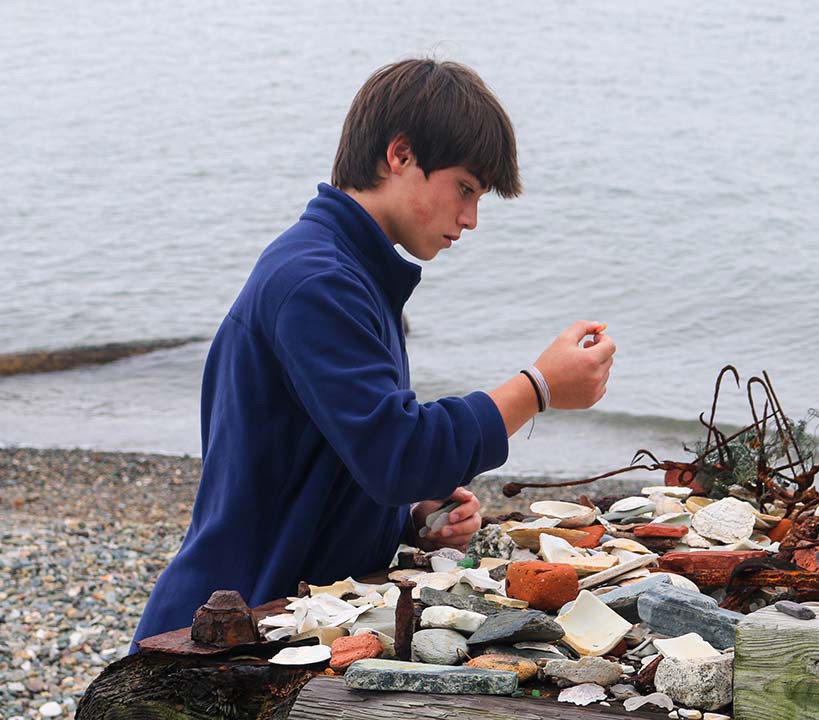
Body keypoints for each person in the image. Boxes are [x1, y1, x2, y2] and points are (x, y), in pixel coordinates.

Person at [132, 59, 615, 646]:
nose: (471, 218)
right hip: (222, 626)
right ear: (401, 155)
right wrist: (537, 388)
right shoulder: (318, 282)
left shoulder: (348, 272)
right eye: (465, 188)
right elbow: (397, 455)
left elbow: (347, 458)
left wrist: (412, 519)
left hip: (278, 611)